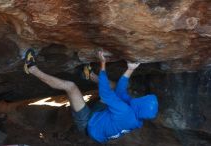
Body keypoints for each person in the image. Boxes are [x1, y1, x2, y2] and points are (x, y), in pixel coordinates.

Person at [24, 48, 158, 143]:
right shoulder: (136, 114)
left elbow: (105, 94)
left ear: (141, 104)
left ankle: (31, 68)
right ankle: (89, 75)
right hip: (102, 116)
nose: (138, 98)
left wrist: (103, 64)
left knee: (71, 87)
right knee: (115, 88)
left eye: (142, 99)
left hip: (89, 125)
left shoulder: (126, 112)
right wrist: (130, 69)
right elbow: (121, 91)